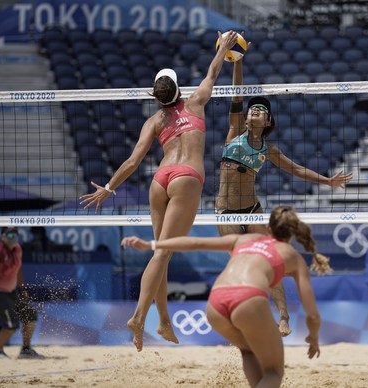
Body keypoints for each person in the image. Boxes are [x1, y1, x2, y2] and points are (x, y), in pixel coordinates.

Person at [79, 31, 240, 352]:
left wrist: (109, 188)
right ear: (179, 89)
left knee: (159, 253)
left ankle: (163, 320)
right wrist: (224, 46)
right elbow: (213, 71)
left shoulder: (154, 120)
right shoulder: (195, 102)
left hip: (160, 179)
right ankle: (139, 317)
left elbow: (132, 160)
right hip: (186, 177)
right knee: (163, 252)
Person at [215, 48, 352, 335]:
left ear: (267, 123)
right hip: (225, 213)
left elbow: (298, 170)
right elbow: (236, 91)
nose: (255, 110)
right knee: (241, 263)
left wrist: (329, 181)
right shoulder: (234, 131)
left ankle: (284, 317)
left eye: (261, 110)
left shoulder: (269, 150)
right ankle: (245, 314)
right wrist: (238, 62)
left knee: (267, 260)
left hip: (252, 210)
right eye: (253, 108)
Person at [121, 205, 329, 387]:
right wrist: (313, 338)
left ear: (268, 228)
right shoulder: (292, 256)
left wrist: (152, 245)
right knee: (274, 372)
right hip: (248, 300)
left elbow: (195, 243)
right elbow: (312, 314)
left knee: (248, 350)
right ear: (293, 234)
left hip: (216, 302)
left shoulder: (244, 239)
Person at [0, 227, 45, 359]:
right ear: (3, 237)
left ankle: (26, 350)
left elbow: (18, 270)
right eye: (10, 234)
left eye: (15, 234)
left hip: (12, 292)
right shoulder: (0, 251)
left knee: (30, 315)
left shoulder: (18, 249)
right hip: (0, 293)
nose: (13, 236)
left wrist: (23, 288)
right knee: (11, 325)